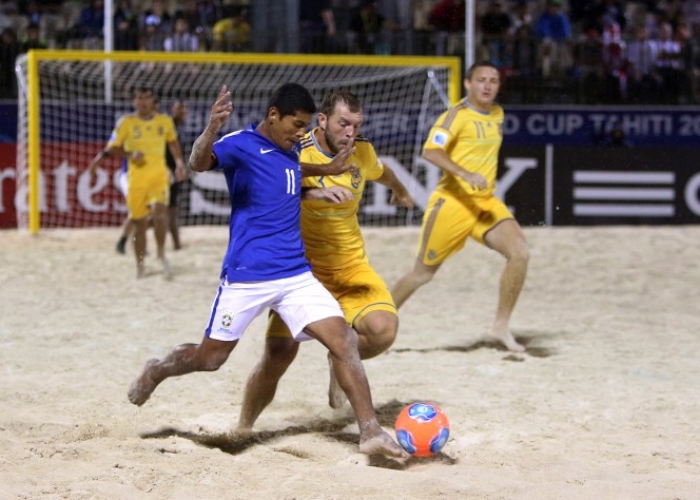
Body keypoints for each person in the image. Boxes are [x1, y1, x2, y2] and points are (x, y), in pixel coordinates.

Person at [126, 83, 407, 459]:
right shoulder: (241, 143)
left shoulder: (290, 150)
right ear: (273, 115)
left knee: (343, 340)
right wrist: (211, 130)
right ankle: (158, 369)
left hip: (295, 275)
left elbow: (288, 171)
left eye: (307, 126)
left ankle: (370, 431)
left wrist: (322, 178)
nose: (302, 133)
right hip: (247, 276)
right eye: (296, 124)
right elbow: (198, 163)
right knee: (210, 359)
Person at [236, 90, 415, 431]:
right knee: (278, 355)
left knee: (383, 331)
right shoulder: (294, 148)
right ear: (322, 120)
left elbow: (382, 170)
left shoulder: (362, 151)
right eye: (343, 123)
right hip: (302, 270)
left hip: (350, 265)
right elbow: (267, 190)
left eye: (356, 125)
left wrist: (400, 189)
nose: (350, 131)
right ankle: (243, 426)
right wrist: (312, 191)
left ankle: (339, 363)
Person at [391, 61, 530, 353]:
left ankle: (500, 327)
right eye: (481, 80)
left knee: (520, 253)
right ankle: (378, 323)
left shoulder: (497, 114)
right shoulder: (455, 115)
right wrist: (465, 174)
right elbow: (431, 151)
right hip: (452, 204)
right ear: (468, 84)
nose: (488, 85)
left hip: (485, 203)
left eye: (493, 80)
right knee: (422, 274)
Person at [88, 86, 187, 278]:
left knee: (161, 213)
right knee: (139, 223)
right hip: (136, 178)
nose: (142, 102)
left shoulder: (164, 121)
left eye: (146, 98)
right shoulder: (126, 123)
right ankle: (140, 264)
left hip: (159, 175)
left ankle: (160, 253)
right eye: (139, 99)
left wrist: (179, 163)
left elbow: (173, 142)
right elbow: (111, 148)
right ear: (134, 102)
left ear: (153, 101)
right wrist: (130, 154)